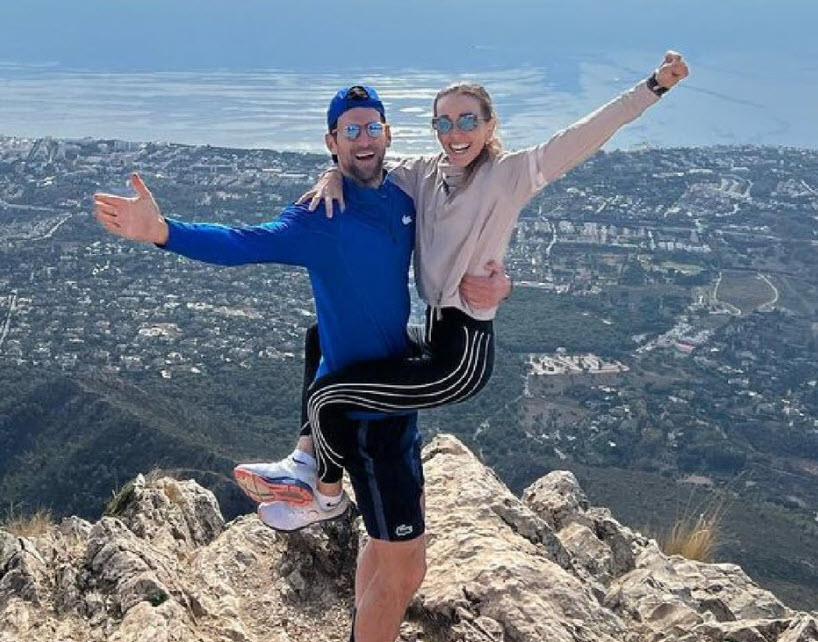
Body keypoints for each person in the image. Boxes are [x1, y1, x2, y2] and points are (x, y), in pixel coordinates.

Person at [92, 85, 507, 642]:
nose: (363, 139)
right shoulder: (320, 215)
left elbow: (459, 185)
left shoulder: (403, 198)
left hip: (396, 389)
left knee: (393, 559)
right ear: (331, 142)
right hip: (365, 420)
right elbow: (243, 242)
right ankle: (314, 480)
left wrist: (490, 285)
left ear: (388, 134)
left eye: (372, 127)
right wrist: (163, 232)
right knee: (404, 568)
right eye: (350, 130)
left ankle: (315, 487)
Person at [235, 51, 690, 530]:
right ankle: (306, 462)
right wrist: (330, 173)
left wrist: (655, 86)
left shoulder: (511, 175)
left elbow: (586, 134)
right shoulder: (425, 173)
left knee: (331, 396)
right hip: (431, 331)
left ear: (490, 126)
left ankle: (324, 499)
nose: (456, 133)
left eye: (468, 120)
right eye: (445, 122)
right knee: (318, 337)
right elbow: (366, 166)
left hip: (460, 355)